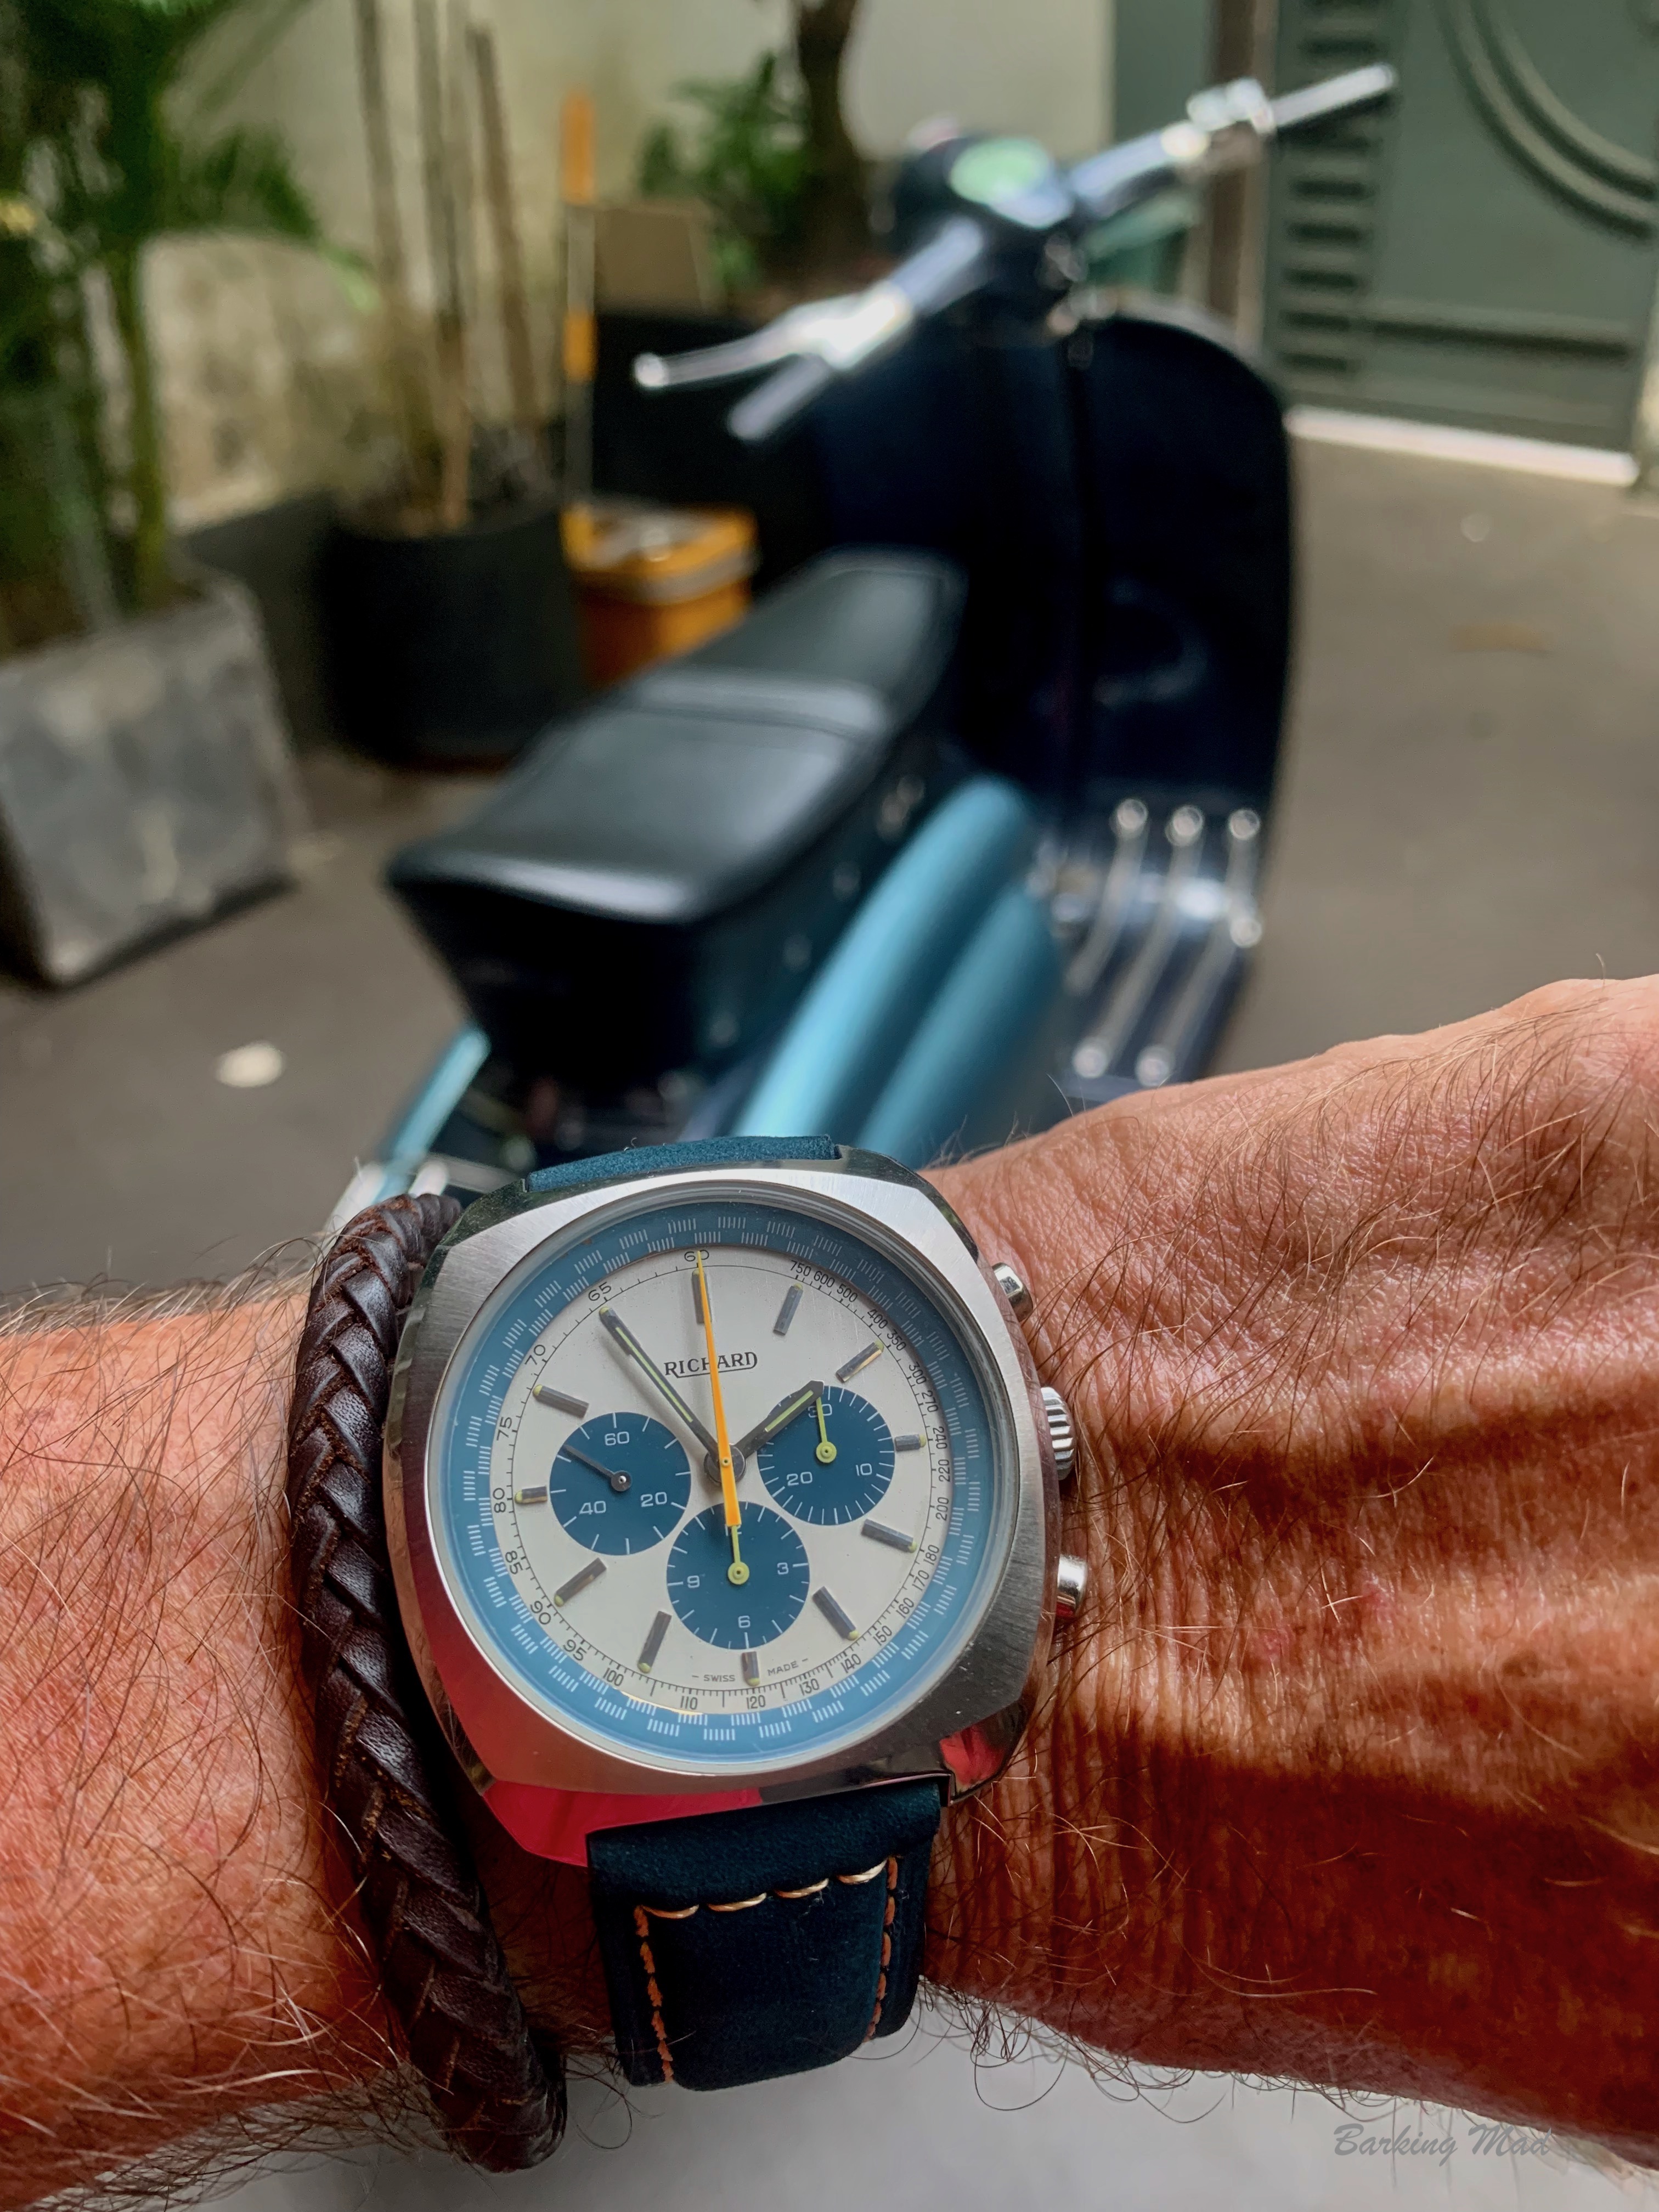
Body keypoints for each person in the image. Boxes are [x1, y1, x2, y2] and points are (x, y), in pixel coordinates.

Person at [5, 975, 1659, 2205]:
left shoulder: (972, 1660)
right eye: (682, 1473)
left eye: (778, 1456)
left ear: (1040, 1455)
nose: (731, 1490)